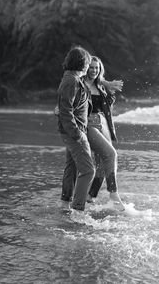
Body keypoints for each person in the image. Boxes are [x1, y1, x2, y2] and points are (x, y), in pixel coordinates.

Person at [61, 56, 124, 210]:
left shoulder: (100, 86)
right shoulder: (80, 83)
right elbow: (69, 99)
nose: (94, 70)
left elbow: (107, 107)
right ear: (86, 68)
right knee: (108, 155)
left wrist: (106, 86)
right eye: (91, 67)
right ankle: (113, 194)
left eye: (97, 68)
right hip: (86, 125)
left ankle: (91, 196)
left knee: (104, 162)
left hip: (102, 125)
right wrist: (61, 110)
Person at [57, 46, 95, 214]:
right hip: (74, 132)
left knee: (71, 168)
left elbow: (67, 106)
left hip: (74, 131)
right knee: (88, 170)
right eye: (87, 62)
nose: (89, 65)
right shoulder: (71, 80)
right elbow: (65, 111)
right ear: (82, 63)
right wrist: (77, 134)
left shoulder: (74, 79)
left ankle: (65, 205)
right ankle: (78, 210)